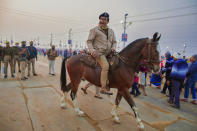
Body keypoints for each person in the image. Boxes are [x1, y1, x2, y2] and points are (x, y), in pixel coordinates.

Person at [87, 12, 117, 95]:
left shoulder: (111, 31)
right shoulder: (95, 30)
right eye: (101, 19)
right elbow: (89, 41)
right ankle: (103, 88)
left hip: (109, 53)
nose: (102, 21)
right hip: (99, 53)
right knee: (106, 66)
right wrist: (92, 51)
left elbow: (114, 42)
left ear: (108, 21)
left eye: (104, 19)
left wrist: (113, 48)